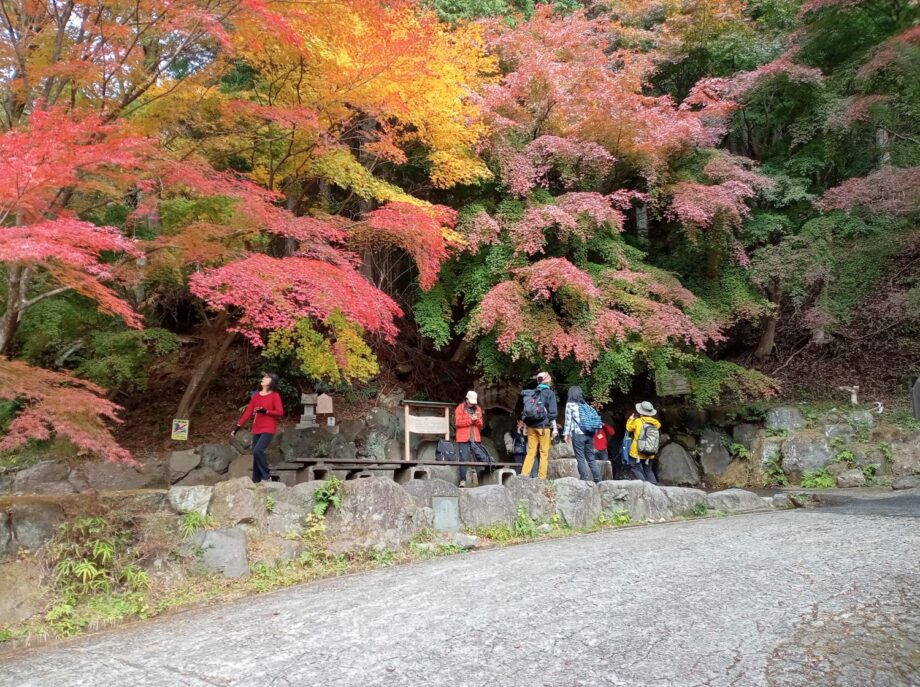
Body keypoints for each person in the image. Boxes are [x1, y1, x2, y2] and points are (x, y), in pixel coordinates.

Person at [231, 372, 284, 483]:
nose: (263, 379)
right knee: (255, 455)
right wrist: (237, 427)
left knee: (258, 450)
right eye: (264, 377)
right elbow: (248, 412)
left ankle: (266, 476)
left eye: (267, 377)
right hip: (257, 428)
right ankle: (256, 480)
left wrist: (266, 411)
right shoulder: (256, 396)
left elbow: (280, 412)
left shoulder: (275, 395)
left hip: (268, 428)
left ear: (272, 382)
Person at [520, 372, 558, 481]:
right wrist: (554, 428)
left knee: (531, 451)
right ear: (547, 380)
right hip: (543, 427)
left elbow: (528, 411)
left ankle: (524, 475)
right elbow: (552, 413)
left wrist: (526, 427)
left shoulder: (532, 393)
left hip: (532, 426)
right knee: (544, 452)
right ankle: (541, 478)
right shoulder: (549, 393)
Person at [562, 386, 601, 483]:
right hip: (589, 434)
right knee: (591, 458)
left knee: (580, 457)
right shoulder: (586, 405)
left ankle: (584, 479)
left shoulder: (570, 405)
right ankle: (598, 479)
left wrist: (566, 434)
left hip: (578, 434)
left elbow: (568, 421)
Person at [625, 401, 661, 484]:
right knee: (648, 470)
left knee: (635, 468)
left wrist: (630, 420)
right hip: (650, 451)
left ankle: (644, 486)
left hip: (637, 451)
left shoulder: (638, 421)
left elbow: (629, 428)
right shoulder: (656, 423)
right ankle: (654, 487)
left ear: (640, 411)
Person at [455, 390, 485, 488]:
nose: (472, 403)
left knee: (478, 458)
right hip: (463, 437)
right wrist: (470, 420)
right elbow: (458, 423)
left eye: (473, 402)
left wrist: (476, 420)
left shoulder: (478, 408)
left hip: (475, 437)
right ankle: (462, 480)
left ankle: (481, 479)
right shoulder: (460, 408)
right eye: (471, 401)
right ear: (467, 399)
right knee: (463, 458)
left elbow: (481, 423)